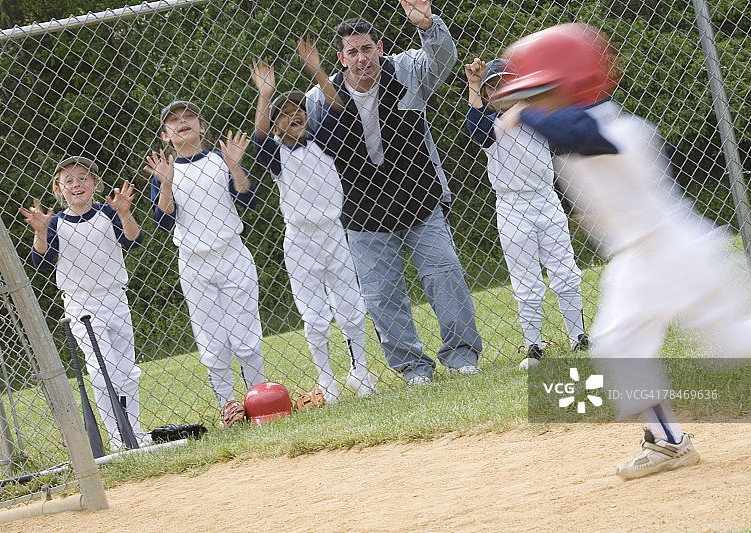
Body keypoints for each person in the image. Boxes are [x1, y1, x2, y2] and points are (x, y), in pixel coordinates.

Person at [494, 23, 751, 479]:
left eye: (542, 92)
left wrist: (526, 114)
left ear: (573, 84)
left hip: (678, 253)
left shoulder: (614, 127)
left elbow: (581, 133)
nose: (532, 103)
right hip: (636, 261)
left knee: (736, 342)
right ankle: (669, 444)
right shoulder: (573, 128)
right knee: (617, 344)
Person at [304, 0, 482, 385]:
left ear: (380, 48)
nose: (362, 58)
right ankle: (413, 369)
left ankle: (462, 356)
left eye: (367, 48)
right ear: (341, 58)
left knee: (445, 275)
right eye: (352, 52)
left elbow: (442, 59)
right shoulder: (318, 99)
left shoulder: (406, 70)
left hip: (419, 198)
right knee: (382, 297)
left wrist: (429, 25)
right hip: (363, 214)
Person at [251, 38, 377, 403]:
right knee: (315, 315)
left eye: (298, 109)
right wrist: (265, 95)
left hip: (333, 233)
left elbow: (339, 111)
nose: (294, 115)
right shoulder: (276, 155)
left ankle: (360, 371)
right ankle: (328, 382)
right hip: (301, 239)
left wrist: (317, 72)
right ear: (276, 125)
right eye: (284, 113)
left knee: (351, 306)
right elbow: (259, 137)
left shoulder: (322, 140)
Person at [464, 57, 589, 369]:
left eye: (506, 84)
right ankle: (533, 344)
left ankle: (579, 337)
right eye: (494, 87)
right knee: (526, 280)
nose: (501, 91)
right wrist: (475, 85)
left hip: (547, 200)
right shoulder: (491, 127)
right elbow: (475, 128)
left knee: (565, 271)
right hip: (511, 206)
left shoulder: (538, 120)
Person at [144, 101, 266, 414]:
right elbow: (163, 221)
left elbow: (248, 199)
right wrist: (166, 182)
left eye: (189, 117)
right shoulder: (166, 172)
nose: (182, 122)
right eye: (173, 121)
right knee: (213, 344)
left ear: (202, 127)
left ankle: (258, 402)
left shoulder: (220, 160)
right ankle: (229, 408)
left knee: (246, 339)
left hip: (232, 254)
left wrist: (235, 165)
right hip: (194, 263)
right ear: (165, 135)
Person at [19, 156, 148, 450]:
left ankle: (134, 433)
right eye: (69, 181)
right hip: (82, 304)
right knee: (103, 369)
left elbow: (133, 240)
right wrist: (40, 232)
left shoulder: (107, 213)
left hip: (116, 296)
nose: (77, 184)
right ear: (59, 189)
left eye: (84, 177)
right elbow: (41, 260)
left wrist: (125, 213)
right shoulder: (56, 223)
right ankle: (118, 437)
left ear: (95, 184)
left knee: (127, 369)